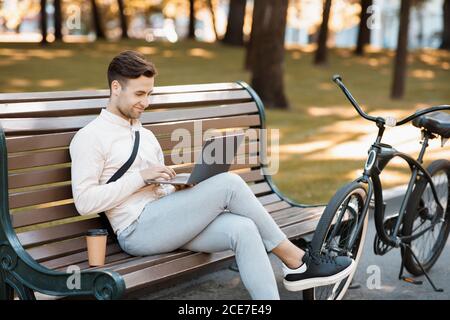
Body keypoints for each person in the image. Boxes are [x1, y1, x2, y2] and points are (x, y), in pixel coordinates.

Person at [70, 50, 355, 300]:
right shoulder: (90, 137)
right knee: (229, 183)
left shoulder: (144, 135)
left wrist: (177, 189)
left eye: (150, 93)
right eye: (140, 94)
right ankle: (297, 261)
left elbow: (156, 189)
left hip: (165, 220)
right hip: (136, 230)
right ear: (116, 88)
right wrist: (141, 177)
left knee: (243, 229)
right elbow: (85, 202)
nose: (146, 102)